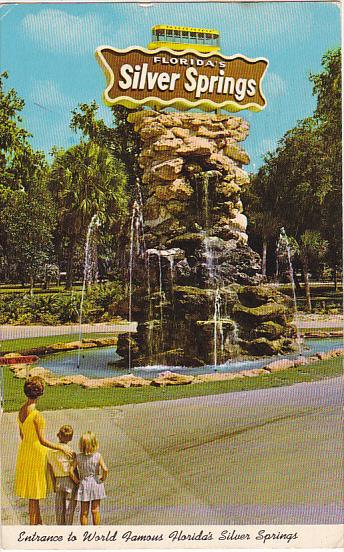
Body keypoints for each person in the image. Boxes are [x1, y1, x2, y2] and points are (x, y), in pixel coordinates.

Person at [15, 377, 73, 525]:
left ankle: (39, 523)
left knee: (32, 493)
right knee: (34, 494)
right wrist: (60, 447)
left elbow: (22, 435)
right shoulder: (36, 415)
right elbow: (42, 440)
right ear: (40, 393)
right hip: (36, 453)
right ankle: (33, 527)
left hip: (25, 451)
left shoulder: (21, 410)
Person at [70, 431, 108, 525]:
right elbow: (105, 469)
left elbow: (71, 471)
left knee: (84, 512)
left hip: (84, 484)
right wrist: (103, 478)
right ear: (95, 443)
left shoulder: (78, 457)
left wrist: (77, 481)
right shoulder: (98, 456)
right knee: (95, 510)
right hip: (95, 483)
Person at [47, 425, 77, 525]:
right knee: (69, 508)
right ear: (70, 438)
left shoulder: (51, 452)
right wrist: (77, 482)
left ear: (58, 435)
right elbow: (72, 470)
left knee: (59, 509)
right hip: (69, 481)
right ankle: (68, 528)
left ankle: (60, 527)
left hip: (58, 480)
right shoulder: (71, 452)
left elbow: (50, 469)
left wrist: (54, 482)